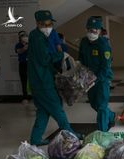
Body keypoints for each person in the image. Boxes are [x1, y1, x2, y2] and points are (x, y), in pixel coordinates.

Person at [28, 10, 75, 146]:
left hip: (39, 80)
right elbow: (44, 60)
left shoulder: (37, 35)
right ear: (38, 23)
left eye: (50, 24)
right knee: (56, 108)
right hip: (43, 82)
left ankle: (36, 139)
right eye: (45, 24)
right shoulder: (37, 38)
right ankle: (70, 135)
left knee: (43, 111)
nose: (48, 27)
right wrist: (61, 55)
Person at [79, 16, 115, 132]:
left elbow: (105, 67)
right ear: (86, 29)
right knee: (94, 104)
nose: (92, 32)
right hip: (88, 78)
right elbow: (81, 59)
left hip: (102, 79)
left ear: (99, 31)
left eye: (95, 30)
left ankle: (102, 132)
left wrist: (95, 79)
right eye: (90, 29)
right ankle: (111, 115)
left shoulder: (103, 45)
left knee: (101, 106)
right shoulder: (84, 42)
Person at [15, 31, 30, 103]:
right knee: (23, 81)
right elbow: (18, 51)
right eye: (21, 36)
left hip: (31, 64)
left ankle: (35, 96)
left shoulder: (31, 43)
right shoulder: (18, 45)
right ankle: (25, 97)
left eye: (24, 35)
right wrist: (24, 48)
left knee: (33, 80)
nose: (23, 36)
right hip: (22, 64)